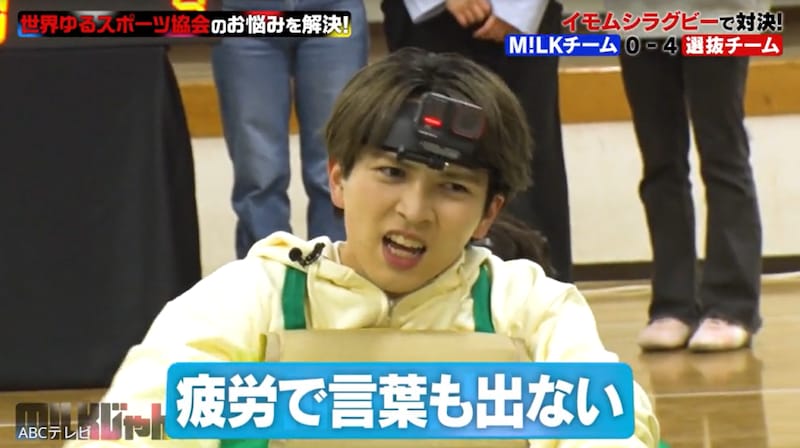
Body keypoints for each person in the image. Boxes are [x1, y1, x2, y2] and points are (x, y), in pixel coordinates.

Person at [63, 48, 658, 447]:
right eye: (392, 173)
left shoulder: (529, 309)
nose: (414, 210)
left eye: (453, 187)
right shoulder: (255, 295)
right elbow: (128, 423)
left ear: (489, 213)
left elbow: (616, 423)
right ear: (339, 179)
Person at [605, 0, 767, 352]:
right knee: (660, 161)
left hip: (719, 13)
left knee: (723, 156)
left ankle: (732, 307)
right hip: (639, 15)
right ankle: (672, 304)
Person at [380, 0, 574, 283]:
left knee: (530, 163)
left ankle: (541, 294)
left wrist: (517, 10)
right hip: (425, 20)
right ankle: (423, 291)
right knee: (423, 157)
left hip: (527, 22)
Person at [212, 0, 369, 259]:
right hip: (244, 12)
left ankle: (334, 269)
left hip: (332, 8)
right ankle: (268, 270)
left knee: (335, 165)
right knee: (259, 174)